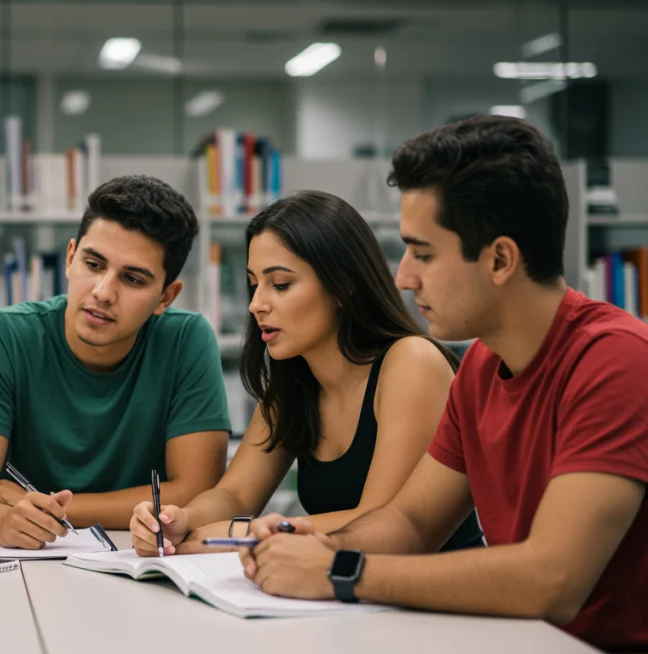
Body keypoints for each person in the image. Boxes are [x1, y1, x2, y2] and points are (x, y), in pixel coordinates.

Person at [242, 116, 648, 652]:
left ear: (499, 259)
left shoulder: (616, 359)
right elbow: (410, 522)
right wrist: (309, 543)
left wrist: (341, 571)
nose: (404, 277)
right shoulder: (480, 366)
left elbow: (551, 582)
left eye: (424, 254)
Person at [129, 190, 483, 557]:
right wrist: (180, 519)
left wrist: (241, 532)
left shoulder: (412, 362)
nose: (256, 304)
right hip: (341, 588)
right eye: (254, 285)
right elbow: (234, 494)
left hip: (432, 589)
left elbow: (380, 523)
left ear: (342, 286)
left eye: (280, 285)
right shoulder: (294, 378)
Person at [0, 174, 230, 550]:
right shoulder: (4, 335)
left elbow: (196, 491)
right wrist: (1, 521)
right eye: (93, 264)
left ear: (166, 297)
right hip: (28, 558)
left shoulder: (187, 340)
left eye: (132, 279)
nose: (103, 292)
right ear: (70, 257)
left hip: (140, 558)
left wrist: (58, 509)